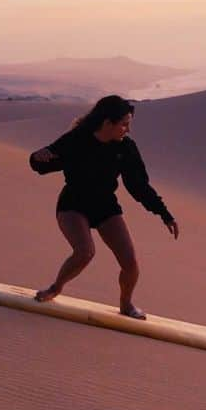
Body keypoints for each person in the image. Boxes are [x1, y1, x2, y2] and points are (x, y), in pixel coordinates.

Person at [29, 94, 178, 319]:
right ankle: (56, 287)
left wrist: (164, 214)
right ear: (107, 123)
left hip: (105, 206)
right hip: (73, 204)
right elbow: (45, 163)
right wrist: (37, 158)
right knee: (85, 252)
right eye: (124, 124)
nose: (127, 130)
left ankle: (126, 305)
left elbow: (138, 186)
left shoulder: (126, 148)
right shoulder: (77, 139)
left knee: (130, 262)